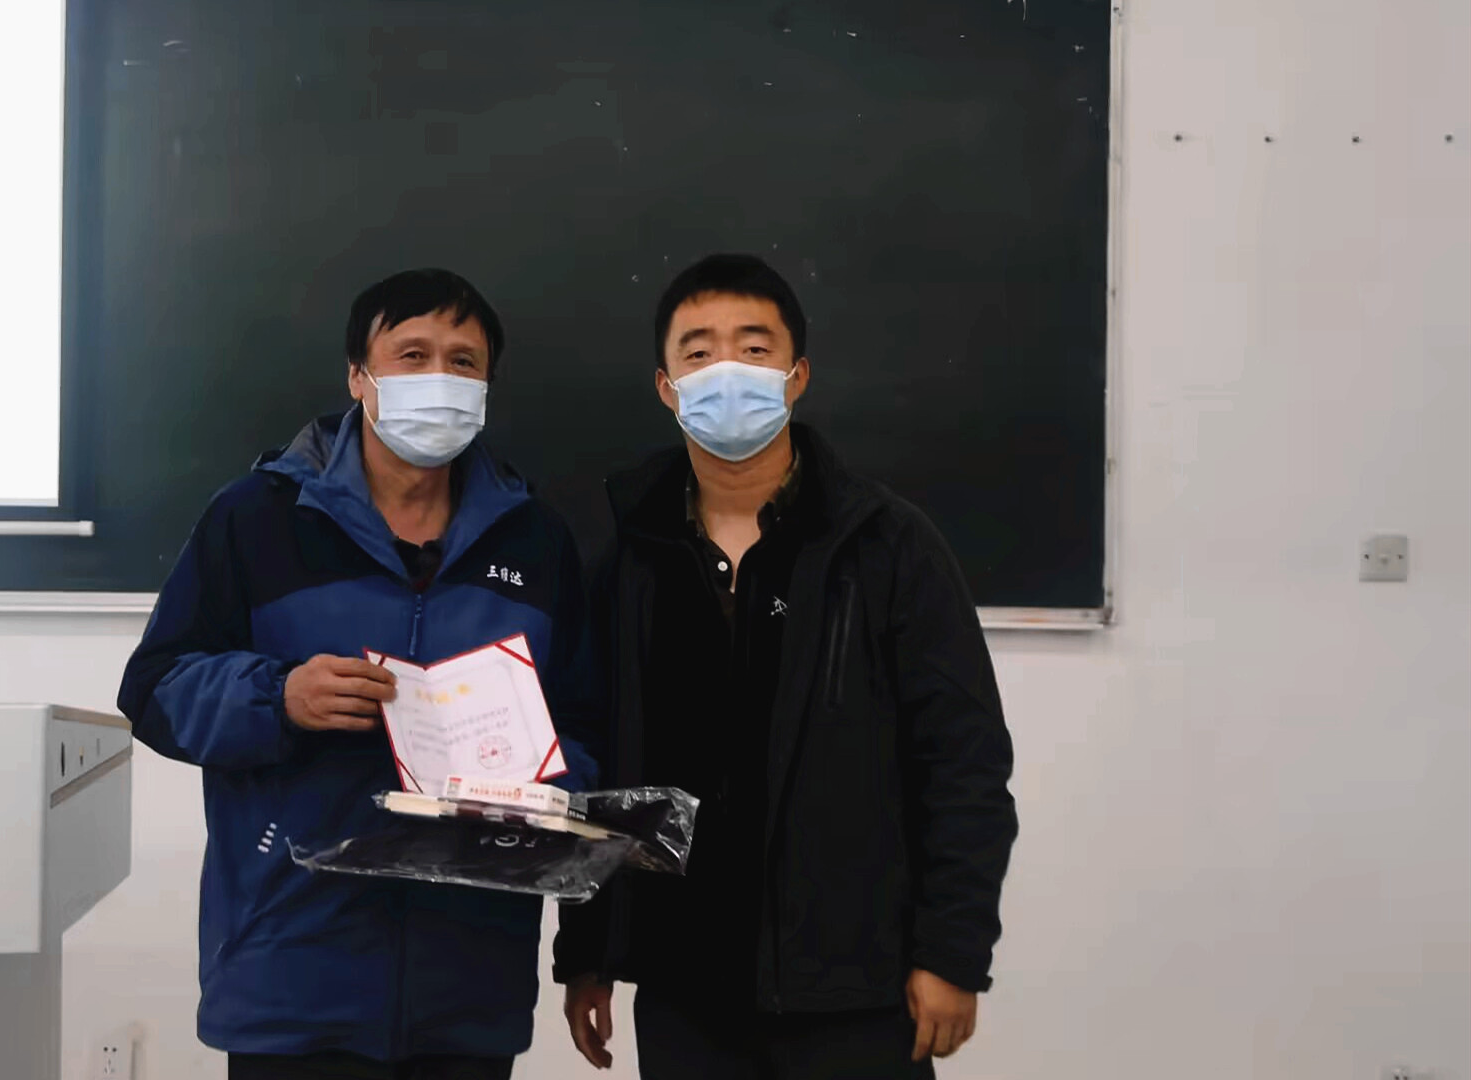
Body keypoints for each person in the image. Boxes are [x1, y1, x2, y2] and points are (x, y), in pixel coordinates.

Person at [119, 268, 600, 1080]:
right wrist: (280, 698)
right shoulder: (256, 519)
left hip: (468, 986)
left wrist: (542, 783)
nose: (438, 377)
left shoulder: (536, 541)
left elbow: (584, 728)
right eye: (412, 354)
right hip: (291, 971)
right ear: (358, 376)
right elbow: (155, 689)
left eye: (462, 361)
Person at [554, 254, 1018, 1078]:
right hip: (683, 983)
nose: (726, 370)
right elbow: (596, 757)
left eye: (754, 347)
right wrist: (587, 949)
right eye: (699, 352)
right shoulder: (627, 557)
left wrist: (953, 952)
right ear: (666, 386)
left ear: (796, 376)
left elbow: (963, 764)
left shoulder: (887, 546)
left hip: (854, 984)